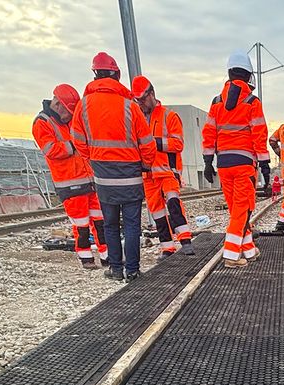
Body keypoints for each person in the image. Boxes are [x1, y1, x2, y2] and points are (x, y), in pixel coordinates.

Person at [70, 52, 156, 281]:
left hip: (103, 175)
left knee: (110, 225)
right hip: (130, 174)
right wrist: (145, 165)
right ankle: (133, 270)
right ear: (116, 75)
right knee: (131, 225)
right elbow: (147, 142)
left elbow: (77, 139)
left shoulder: (84, 105)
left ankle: (116, 269)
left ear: (95, 75)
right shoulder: (129, 106)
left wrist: (94, 157)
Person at [202, 51, 271, 268]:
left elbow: (209, 132)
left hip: (223, 164)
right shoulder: (252, 101)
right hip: (243, 164)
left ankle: (248, 250)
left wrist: (207, 160)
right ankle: (231, 255)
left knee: (236, 210)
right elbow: (259, 134)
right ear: (249, 75)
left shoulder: (216, 101)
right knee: (243, 209)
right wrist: (265, 163)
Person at [32, 84, 107, 269]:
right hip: (70, 183)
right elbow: (51, 150)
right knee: (81, 226)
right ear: (57, 104)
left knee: (101, 222)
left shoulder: (69, 121)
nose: (71, 116)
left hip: (89, 181)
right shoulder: (43, 123)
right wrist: (75, 144)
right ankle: (86, 258)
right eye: (68, 111)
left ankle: (108, 257)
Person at [131, 75, 195, 257]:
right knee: (158, 213)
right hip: (147, 175)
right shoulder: (137, 119)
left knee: (173, 204)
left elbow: (177, 144)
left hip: (167, 172)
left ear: (151, 94)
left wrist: (152, 142)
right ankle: (167, 247)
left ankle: (185, 241)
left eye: (143, 99)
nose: (141, 104)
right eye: (137, 100)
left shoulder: (169, 116)